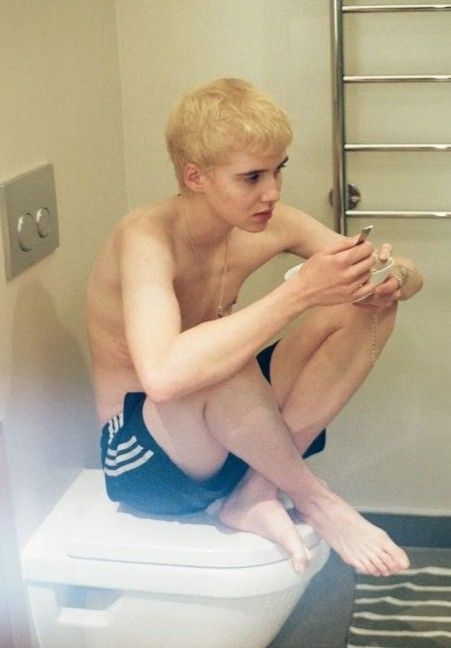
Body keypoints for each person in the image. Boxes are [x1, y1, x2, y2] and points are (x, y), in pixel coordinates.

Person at [86, 78, 423, 577]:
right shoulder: (146, 237)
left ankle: (257, 493)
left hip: (231, 436)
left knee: (363, 307)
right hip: (146, 458)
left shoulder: (270, 221)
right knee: (221, 362)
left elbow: (407, 275)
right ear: (196, 176)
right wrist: (298, 293)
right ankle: (316, 499)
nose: (272, 192)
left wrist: (389, 278)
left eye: (278, 171)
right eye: (251, 177)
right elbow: (162, 375)